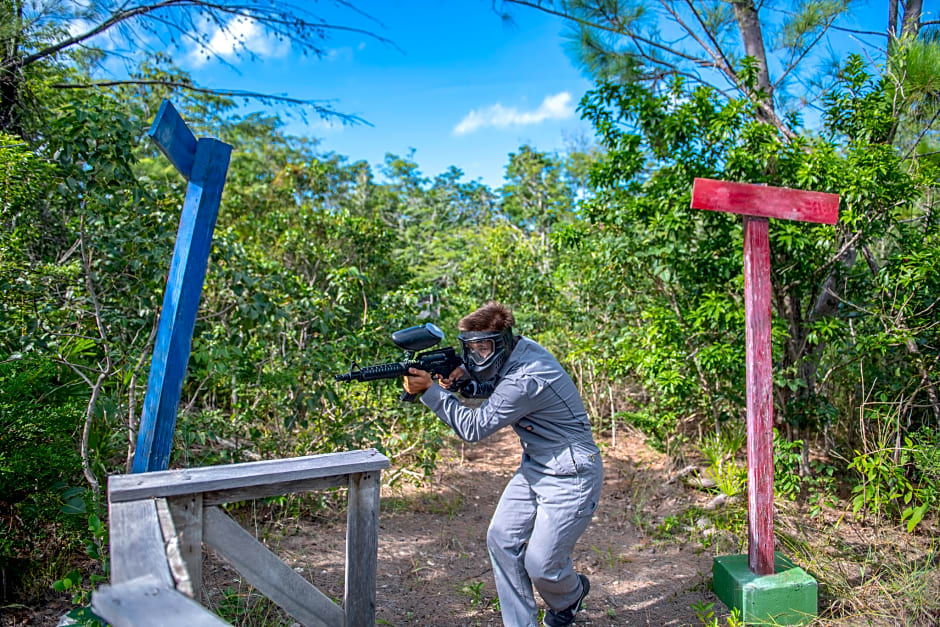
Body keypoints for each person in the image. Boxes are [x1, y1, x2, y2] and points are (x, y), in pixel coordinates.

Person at [403, 301, 603, 627]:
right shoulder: (521, 348)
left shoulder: (526, 378)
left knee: (541, 564)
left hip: (573, 473)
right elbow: (487, 373)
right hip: (537, 464)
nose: (478, 355)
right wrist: (463, 375)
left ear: (503, 341)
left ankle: (570, 596)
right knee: (501, 538)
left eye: (485, 348)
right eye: (472, 348)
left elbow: (474, 427)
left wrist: (430, 392)